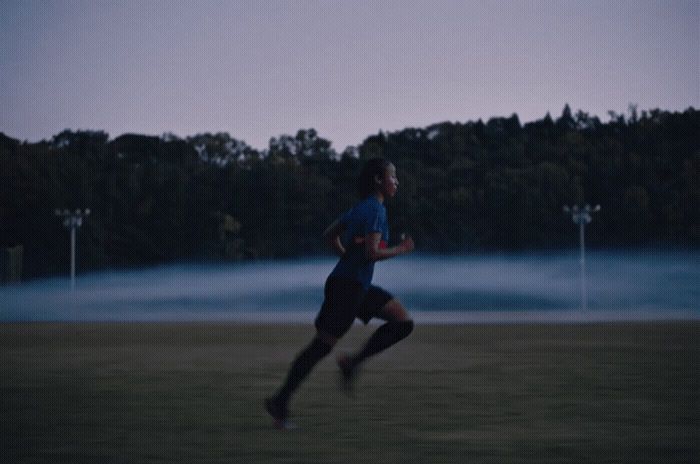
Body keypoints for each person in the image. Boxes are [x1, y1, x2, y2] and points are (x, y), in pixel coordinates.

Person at [265, 157, 415, 429]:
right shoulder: (376, 211)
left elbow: (329, 235)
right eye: (392, 176)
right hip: (348, 288)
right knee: (320, 347)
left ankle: (351, 363)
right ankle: (280, 401)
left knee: (403, 322)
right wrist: (401, 250)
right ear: (378, 181)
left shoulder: (359, 209)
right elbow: (371, 252)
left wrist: (349, 259)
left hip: (355, 284)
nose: (397, 182)